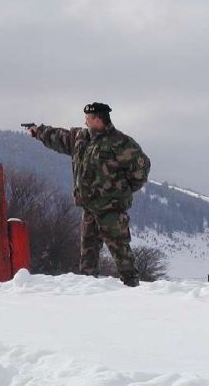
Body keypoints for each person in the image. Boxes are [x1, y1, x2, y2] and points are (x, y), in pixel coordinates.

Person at [27, 102, 150, 286]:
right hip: (89, 207)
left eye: (88, 118)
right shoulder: (81, 139)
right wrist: (38, 131)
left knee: (121, 253)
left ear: (98, 120)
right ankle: (88, 291)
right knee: (87, 257)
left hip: (111, 210)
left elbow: (141, 170)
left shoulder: (121, 143)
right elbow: (59, 137)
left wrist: (121, 190)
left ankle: (132, 289)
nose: (85, 122)